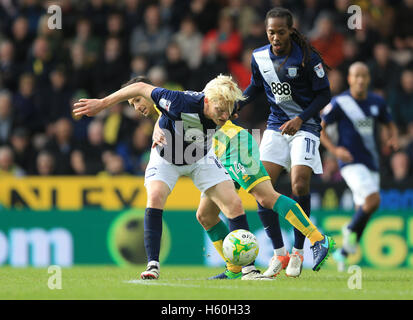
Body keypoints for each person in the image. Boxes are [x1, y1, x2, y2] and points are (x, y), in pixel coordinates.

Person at [129, 76, 334, 279]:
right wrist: (157, 131)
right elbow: (163, 121)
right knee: (205, 215)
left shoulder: (177, 99)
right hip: (216, 155)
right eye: (132, 103)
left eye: (137, 99)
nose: (136, 106)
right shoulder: (166, 110)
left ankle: (318, 239)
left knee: (265, 196)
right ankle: (235, 268)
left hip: (234, 145)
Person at [73, 74, 258, 280]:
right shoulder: (180, 101)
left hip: (201, 158)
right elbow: (142, 87)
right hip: (166, 158)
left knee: (234, 205)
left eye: (227, 112)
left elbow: (252, 90)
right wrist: (102, 103)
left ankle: (248, 269)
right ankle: (152, 265)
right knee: (155, 196)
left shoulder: (225, 104)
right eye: (220, 111)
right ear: (207, 100)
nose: (224, 117)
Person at [235, 7, 333, 278]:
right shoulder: (259, 56)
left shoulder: (308, 58)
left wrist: (301, 119)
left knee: (299, 183)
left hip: (307, 126)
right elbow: (256, 86)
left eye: (280, 31)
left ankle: (299, 253)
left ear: (291, 30)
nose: (275, 37)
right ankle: (279, 253)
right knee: (261, 187)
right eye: (271, 32)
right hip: (277, 126)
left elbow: (324, 95)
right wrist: (236, 104)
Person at [320, 61, 399, 271]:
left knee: (363, 209)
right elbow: (321, 128)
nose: (361, 80)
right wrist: (335, 151)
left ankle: (343, 254)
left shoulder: (377, 102)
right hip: (350, 163)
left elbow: (389, 123)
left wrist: (393, 138)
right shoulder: (340, 102)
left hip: (372, 162)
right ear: (350, 79)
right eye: (357, 76)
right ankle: (349, 230)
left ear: (369, 79)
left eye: (364, 76)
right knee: (373, 200)